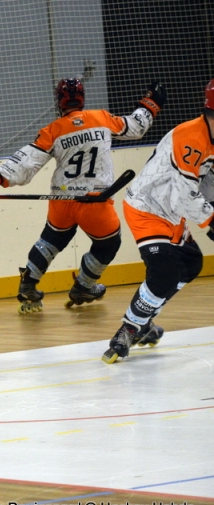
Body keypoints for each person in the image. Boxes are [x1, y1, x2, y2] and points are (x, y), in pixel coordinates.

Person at [0, 78, 166, 313]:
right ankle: (84, 285)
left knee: (50, 240)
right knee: (108, 245)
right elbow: (136, 127)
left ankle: (28, 285)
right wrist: (150, 103)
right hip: (95, 203)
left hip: (62, 201)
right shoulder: (101, 118)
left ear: (59, 101)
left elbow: (26, 161)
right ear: (82, 98)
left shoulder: (53, 130)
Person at [102, 79, 214, 364]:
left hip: (172, 211)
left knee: (190, 264)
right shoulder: (190, 137)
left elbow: (209, 181)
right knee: (164, 270)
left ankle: (143, 319)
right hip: (147, 206)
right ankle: (129, 327)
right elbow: (185, 196)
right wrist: (212, 221)